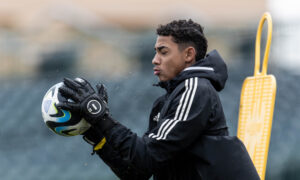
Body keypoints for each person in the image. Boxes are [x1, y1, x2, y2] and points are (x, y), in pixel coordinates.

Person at [58, 19, 260, 180]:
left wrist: (101, 116)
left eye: (163, 52)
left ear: (189, 54)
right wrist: (97, 133)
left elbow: (147, 156)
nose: (155, 59)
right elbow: (138, 172)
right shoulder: (163, 103)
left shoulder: (196, 89)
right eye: (156, 52)